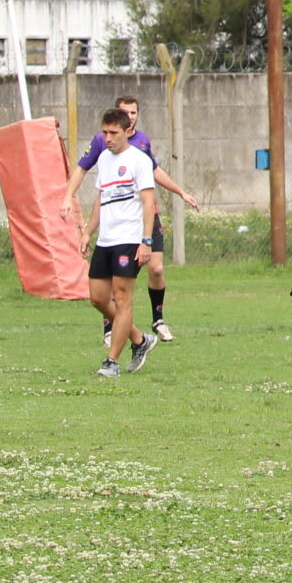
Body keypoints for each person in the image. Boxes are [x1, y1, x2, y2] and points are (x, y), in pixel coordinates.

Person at [76, 94, 200, 342]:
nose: (131, 117)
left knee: (155, 268)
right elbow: (98, 190)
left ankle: (156, 320)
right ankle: (116, 330)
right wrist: (83, 221)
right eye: (126, 113)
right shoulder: (104, 147)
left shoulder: (141, 145)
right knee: (107, 290)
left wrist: (180, 192)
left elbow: (154, 174)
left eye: (134, 113)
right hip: (116, 228)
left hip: (143, 221)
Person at [85, 109, 161, 378]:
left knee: (121, 297)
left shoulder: (139, 161)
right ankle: (140, 339)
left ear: (127, 131)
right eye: (104, 132)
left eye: (113, 133)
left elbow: (148, 203)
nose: (107, 138)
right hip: (106, 239)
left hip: (129, 239)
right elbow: (101, 199)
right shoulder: (104, 159)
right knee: (97, 298)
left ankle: (111, 362)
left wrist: (146, 241)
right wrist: (87, 232)